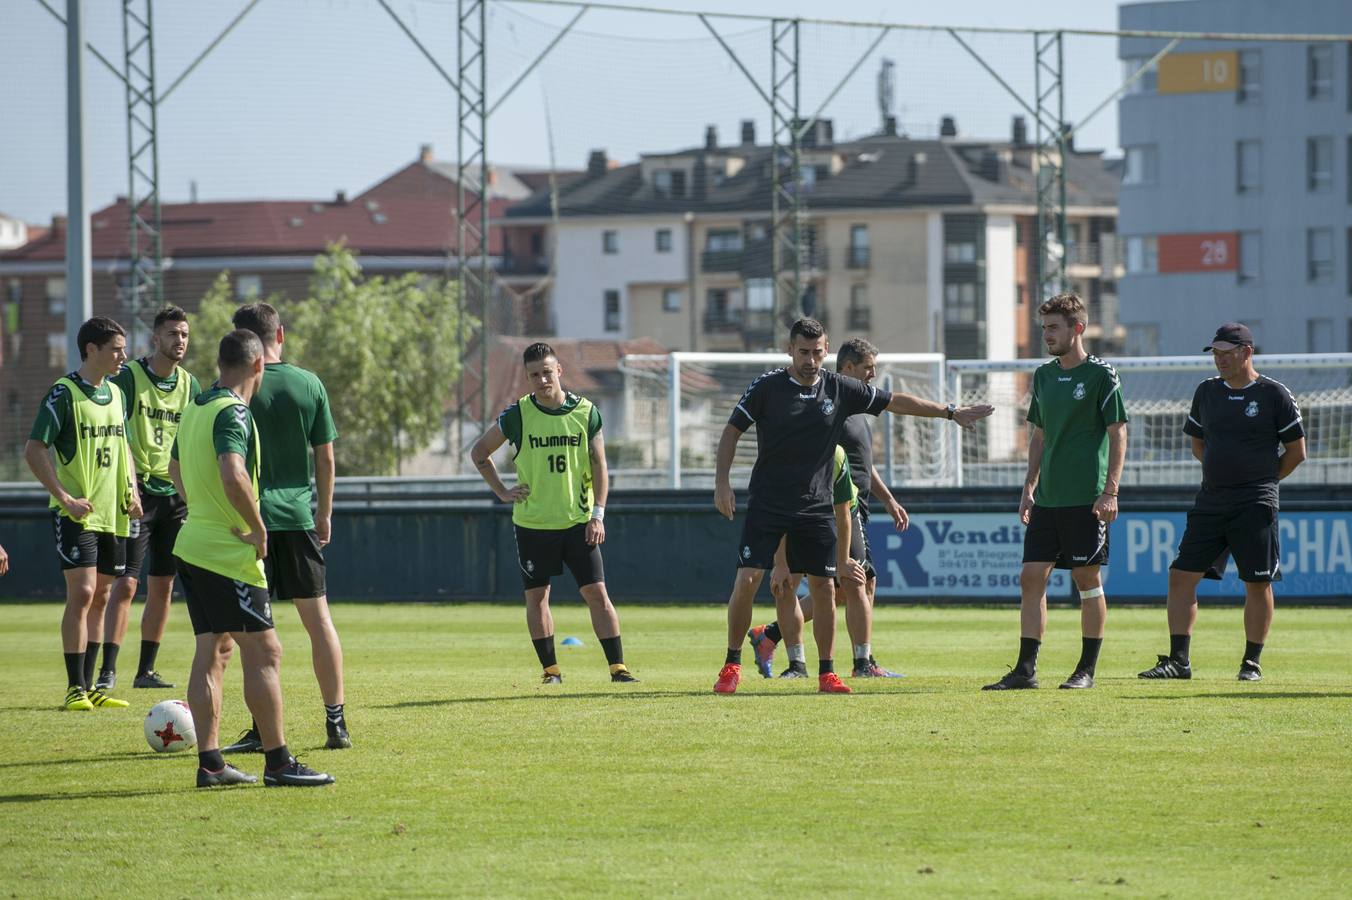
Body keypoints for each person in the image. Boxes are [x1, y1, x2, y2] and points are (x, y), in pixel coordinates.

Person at [713, 318, 993, 695]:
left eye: (817, 352)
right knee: (748, 580)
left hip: (817, 506)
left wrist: (949, 411)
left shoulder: (839, 388)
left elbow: (895, 402)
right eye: (803, 352)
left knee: (826, 588)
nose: (810, 360)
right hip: (769, 502)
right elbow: (732, 431)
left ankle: (827, 672)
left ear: (826, 350)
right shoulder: (767, 387)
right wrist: (722, 483)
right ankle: (731, 665)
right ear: (789, 350)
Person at [170, 328, 333, 788]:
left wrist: (201, 510)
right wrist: (258, 528)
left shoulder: (196, 405)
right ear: (259, 364)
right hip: (229, 552)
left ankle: (212, 764)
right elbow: (233, 471)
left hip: (192, 544)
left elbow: (174, 468)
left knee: (213, 650)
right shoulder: (234, 412)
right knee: (266, 651)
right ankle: (279, 762)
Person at [1139, 322, 1305, 683]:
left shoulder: (1274, 394)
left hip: (1255, 502)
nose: (1219, 360)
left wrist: (1263, 481)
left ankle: (1251, 662)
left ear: (1247, 352)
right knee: (1181, 575)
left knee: (1257, 583)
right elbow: (1198, 443)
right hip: (1211, 500)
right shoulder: (1206, 392)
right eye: (1215, 353)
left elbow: (1296, 452)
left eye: (1226, 353)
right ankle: (1178, 661)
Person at [470, 341, 638, 685]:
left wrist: (598, 514)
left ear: (558, 371)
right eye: (535, 375)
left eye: (547, 372)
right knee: (537, 596)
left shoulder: (585, 412)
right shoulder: (517, 415)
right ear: (527, 378)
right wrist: (502, 491)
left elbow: (599, 464)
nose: (542, 380)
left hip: (578, 522)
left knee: (597, 594)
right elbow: (480, 453)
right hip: (533, 524)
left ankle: (618, 668)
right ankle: (551, 671)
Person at [984, 293, 1127, 691]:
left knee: (1086, 579)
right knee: (1031, 577)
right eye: (1044, 327)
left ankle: (1086, 669)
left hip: (1087, 498)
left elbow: (1119, 434)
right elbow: (1039, 434)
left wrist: (1110, 491)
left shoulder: (1102, 375)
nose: (1046, 335)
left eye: (1053, 328)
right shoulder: (1044, 376)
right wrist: (1029, 485)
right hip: (1048, 499)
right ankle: (1026, 670)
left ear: (1077, 328)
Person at [222, 302, 348, 753]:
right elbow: (326, 458)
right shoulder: (308, 383)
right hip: (297, 518)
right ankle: (336, 722)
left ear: (241, 341)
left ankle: (260, 729)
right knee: (319, 622)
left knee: (247, 635)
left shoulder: (230, 390)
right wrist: (324, 512)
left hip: (247, 523)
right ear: (281, 334)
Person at [747, 337, 909, 678]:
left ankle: (772, 634)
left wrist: (888, 499)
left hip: (856, 505)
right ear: (847, 368)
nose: (872, 375)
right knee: (846, 583)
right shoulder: (831, 405)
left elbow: (862, 464)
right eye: (867, 369)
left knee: (850, 585)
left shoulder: (854, 409)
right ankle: (859, 662)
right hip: (830, 507)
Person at [25, 316, 139, 711]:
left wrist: (133, 491)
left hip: (114, 511)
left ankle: (92, 688)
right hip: (78, 513)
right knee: (84, 592)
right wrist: (64, 496)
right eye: (116, 349)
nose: (123, 355)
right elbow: (35, 448)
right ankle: (75, 686)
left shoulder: (117, 394)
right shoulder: (64, 392)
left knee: (103, 595)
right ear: (91, 350)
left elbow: (123, 446)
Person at [97, 306, 201, 691]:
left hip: (174, 494)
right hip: (136, 491)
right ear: (155, 338)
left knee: (164, 585)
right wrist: (124, 484)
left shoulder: (191, 385)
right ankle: (108, 670)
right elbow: (113, 428)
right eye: (173, 334)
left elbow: (197, 439)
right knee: (125, 584)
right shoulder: (129, 377)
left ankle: (145, 671)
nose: (180, 341)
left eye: (185, 335)